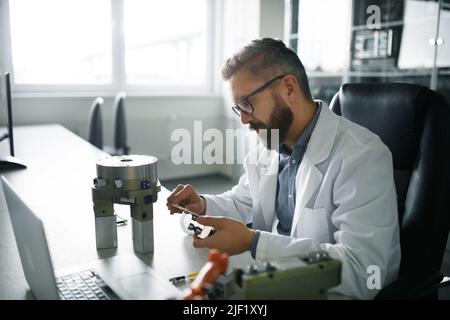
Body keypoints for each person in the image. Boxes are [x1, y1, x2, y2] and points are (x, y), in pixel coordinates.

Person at [166, 38, 400, 299]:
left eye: (247, 103)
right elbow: (242, 200)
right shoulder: (269, 147)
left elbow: (366, 270)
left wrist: (254, 242)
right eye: (238, 108)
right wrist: (203, 204)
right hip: (274, 280)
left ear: (289, 88)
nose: (243, 119)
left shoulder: (362, 155)